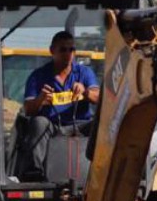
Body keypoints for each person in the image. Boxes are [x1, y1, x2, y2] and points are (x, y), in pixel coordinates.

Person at [12, 31, 101, 181]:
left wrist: (85, 92)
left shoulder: (84, 73)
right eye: (63, 49)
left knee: (100, 125)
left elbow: (98, 98)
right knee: (38, 122)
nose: (68, 54)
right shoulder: (38, 76)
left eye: (71, 49)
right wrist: (40, 99)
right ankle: (34, 173)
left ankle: (100, 170)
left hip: (81, 125)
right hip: (53, 127)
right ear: (52, 51)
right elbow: (28, 109)